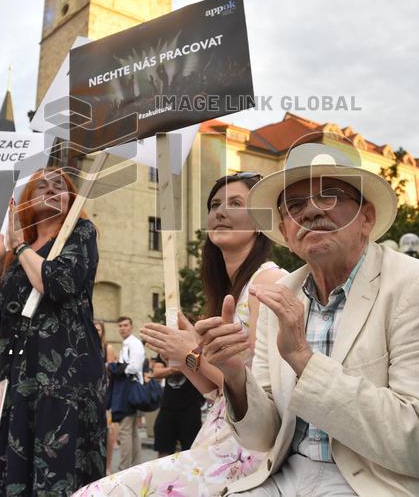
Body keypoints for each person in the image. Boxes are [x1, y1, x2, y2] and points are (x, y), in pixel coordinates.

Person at [197, 141, 419, 495]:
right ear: (286, 233)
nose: (310, 211)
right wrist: (235, 376)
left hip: (372, 483)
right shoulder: (281, 295)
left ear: (366, 218)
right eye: (295, 206)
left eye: (329, 196)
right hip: (284, 477)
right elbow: (263, 438)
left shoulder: (417, 285)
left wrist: (303, 360)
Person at [75, 172, 289, 496]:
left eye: (235, 203)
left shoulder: (268, 281)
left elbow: (258, 392)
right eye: (214, 204)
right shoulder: (228, 290)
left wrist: (192, 353)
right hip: (218, 434)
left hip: (249, 447)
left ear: (261, 221)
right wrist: (183, 356)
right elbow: (216, 392)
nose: (221, 212)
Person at [0, 167, 106, 495]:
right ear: (26, 199)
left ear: (70, 200)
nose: (51, 189)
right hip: (14, 382)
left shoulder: (80, 233)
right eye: (42, 185)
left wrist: (22, 248)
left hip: (62, 380)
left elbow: (57, 283)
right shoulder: (16, 253)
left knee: (53, 477)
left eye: (60, 185)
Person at [109, 315, 146, 470]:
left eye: (125, 325)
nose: (122, 328)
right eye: (120, 326)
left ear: (131, 327)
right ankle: (135, 466)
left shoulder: (134, 343)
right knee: (132, 431)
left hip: (129, 389)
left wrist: (117, 367)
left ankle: (124, 468)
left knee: (125, 431)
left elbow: (135, 367)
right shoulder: (127, 344)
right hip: (129, 389)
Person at [93, 320, 120, 474]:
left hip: (105, 392)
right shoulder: (86, 345)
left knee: (108, 429)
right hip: (91, 390)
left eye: (99, 330)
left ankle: (108, 467)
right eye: (94, 329)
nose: (96, 332)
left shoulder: (107, 347)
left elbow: (111, 369)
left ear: (103, 332)